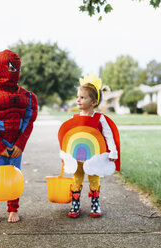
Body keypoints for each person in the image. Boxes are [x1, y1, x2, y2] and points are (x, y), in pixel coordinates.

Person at [0, 49, 38, 224]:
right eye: (11, 68)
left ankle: (13, 209)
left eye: (17, 68)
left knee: (14, 177)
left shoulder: (26, 96)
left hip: (16, 144)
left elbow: (28, 121)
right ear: (0, 68)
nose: (14, 72)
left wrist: (20, 143)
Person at [65, 74, 120, 218]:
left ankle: (95, 203)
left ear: (94, 102)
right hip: (77, 157)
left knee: (94, 179)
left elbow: (108, 135)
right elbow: (69, 137)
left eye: (83, 97)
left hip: (95, 156)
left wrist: (113, 152)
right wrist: (66, 155)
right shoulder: (74, 118)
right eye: (78, 97)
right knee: (76, 179)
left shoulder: (100, 118)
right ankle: (75, 204)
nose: (78, 100)